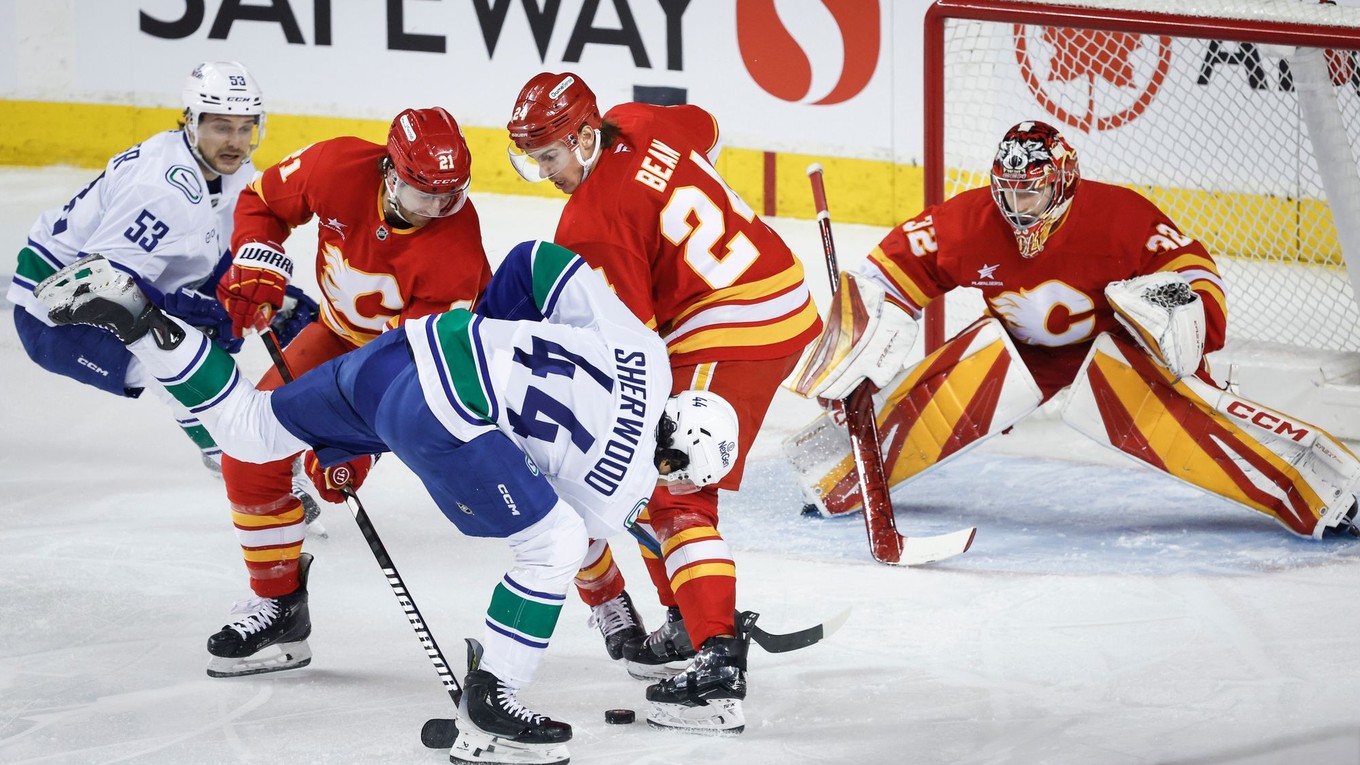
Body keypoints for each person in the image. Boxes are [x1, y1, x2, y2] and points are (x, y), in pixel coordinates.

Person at [34, 240, 739, 765]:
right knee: (550, 541)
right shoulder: (623, 491)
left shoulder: (644, 349)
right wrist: (622, 622)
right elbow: (576, 549)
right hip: (440, 413)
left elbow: (534, 262)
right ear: (675, 465)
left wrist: (488, 338)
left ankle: (139, 320)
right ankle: (493, 699)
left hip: (419, 346)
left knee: (250, 430)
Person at [788, 120, 1360, 538]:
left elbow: (1193, 272)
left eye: (1030, 190)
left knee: (1197, 425)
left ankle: (1328, 491)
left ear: (1061, 184)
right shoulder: (968, 222)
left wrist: (1183, 318)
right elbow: (884, 273)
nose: (1016, 203)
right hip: (1020, 352)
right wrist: (862, 334)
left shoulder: (1119, 218)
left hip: (1115, 351)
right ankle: (836, 468)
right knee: (959, 379)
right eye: (1007, 189)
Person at [505, 72, 822, 733]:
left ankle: (717, 671)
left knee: (675, 490)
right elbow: (703, 125)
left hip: (736, 325)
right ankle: (686, 618)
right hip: (772, 289)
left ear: (587, 136)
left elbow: (628, 348)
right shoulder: (636, 119)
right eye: (532, 159)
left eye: (551, 156)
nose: (544, 172)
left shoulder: (592, 221)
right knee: (650, 475)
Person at [207, 106, 493, 678]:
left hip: (396, 371)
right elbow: (262, 202)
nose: (438, 209)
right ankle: (279, 608)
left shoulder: (456, 253)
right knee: (247, 455)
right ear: (389, 171)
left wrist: (358, 441)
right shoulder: (337, 165)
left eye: (451, 195)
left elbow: (413, 367)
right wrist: (255, 259)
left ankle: (602, 594)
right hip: (334, 336)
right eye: (423, 194)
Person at [5, 60, 293, 472]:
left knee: (209, 334)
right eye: (222, 127)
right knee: (185, 360)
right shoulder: (159, 189)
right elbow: (100, 287)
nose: (236, 141)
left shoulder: (233, 171)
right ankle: (234, 459)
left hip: (110, 286)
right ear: (191, 123)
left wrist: (273, 295)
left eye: (245, 127)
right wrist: (201, 312)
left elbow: (221, 252)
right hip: (56, 313)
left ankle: (231, 451)